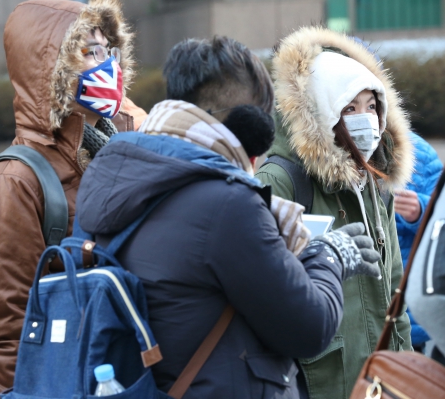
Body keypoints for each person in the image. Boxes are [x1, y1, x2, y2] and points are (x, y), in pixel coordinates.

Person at [74, 36, 381, 398]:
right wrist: (329, 255)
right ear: (249, 127)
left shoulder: (115, 175)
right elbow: (310, 328)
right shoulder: (227, 205)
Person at [0, 0, 137, 394]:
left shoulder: (118, 150)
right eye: (88, 52)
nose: (107, 64)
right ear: (51, 68)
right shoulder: (13, 182)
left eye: (107, 50)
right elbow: (3, 328)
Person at [256, 26, 414, 399]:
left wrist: (405, 363)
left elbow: (395, 285)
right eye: (349, 108)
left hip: (382, 380)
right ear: (325, 111)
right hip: (320, 381)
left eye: (371, 106)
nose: (365, 119)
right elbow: (263, 293)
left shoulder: (375, 181)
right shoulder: (280, 180)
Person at [394, 132, 443, 350]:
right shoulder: (327, 151)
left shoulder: (419, 152)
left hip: (409, 315)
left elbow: (441, 215)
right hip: (350, 312)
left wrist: (421, 210)